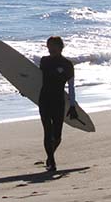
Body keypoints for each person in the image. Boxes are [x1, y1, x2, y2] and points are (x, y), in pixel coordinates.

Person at [38, 35, 78, 172]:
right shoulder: (44, 61)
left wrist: (72, 106)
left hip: (58, 101)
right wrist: (25, 90)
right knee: (47, 132)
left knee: (58, 136)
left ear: (60, 47)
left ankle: (49, 157)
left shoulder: (67, 65)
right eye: (48, 46)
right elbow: (37, 79)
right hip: (44, 100)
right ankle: (52, 162)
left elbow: (71, 87)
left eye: (53, 46)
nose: (50, 49)